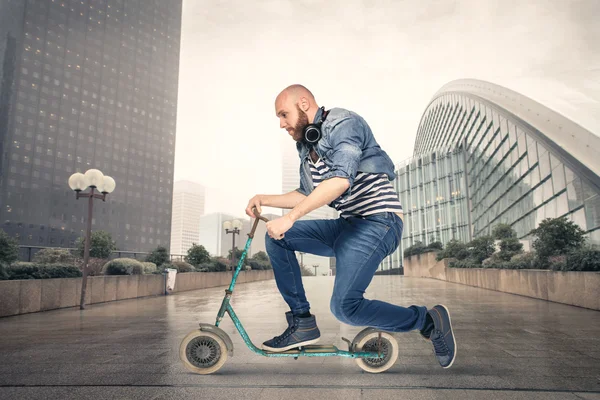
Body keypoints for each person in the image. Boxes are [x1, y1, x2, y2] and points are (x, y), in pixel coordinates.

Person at [245, 84, 456, 368]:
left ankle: (428, 320)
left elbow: (341, 180)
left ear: (304, 103)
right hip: (347, 226)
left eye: (284, 115)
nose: (281, 124)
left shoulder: (343, 123)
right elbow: (308, 193)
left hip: (379, 222)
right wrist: (264, 199)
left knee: (345, 308)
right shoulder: (306, 146)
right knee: (279, 238)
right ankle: (302, 322)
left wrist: (291, 216)